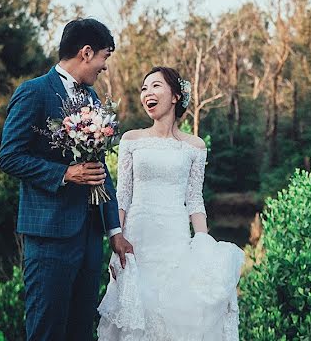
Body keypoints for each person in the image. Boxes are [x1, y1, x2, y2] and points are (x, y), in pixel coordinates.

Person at [0, 18, 134, 341]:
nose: (104, 67)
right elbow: (10, 156)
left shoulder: (93, 100)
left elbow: (100, 168)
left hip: (89, 237)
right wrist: (65, 173)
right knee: (46, 330)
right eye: (104, 58)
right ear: (86, 53)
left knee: (80, 331)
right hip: (49, 237)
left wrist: (114, 230)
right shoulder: (34, 92)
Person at [97, 66, 245, 340]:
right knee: (137, 319)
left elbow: (194, 199)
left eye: (155, 86)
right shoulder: (131, 140)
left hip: (174, 243)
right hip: (137, 243)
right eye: (143, 89)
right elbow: (123, 196)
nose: (147, 94)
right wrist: (116, 238)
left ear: (175, 96)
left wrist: (203, 243)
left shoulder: (195, 146)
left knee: (176, 317)